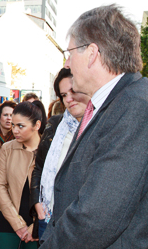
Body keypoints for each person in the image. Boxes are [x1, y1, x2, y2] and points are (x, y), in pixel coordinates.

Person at [40, 5, 148, 248]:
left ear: (92, 53)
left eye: (69, 53)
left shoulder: (134, 107)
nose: (66, 64)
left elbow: (95, 220)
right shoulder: (111, 104)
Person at [30, 68, 89, 240]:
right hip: (48, 218)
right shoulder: (55, 125)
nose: (69, 99)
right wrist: (37, 203)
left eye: (73, 92)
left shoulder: (100, 125)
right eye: (63, 95)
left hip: (80, 224)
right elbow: (39, 167)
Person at [0, 101, 45, 249]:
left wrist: (35, 226)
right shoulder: (7, 148)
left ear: (37, 125)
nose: (15, 130)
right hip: (7, 222)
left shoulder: (49, 150)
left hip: (38, 226)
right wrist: (17, 224)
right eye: (14, 125)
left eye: (20, 126)